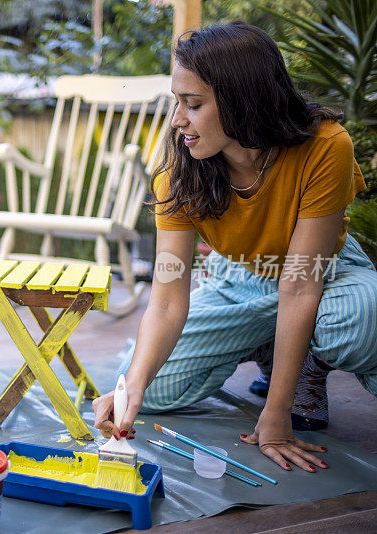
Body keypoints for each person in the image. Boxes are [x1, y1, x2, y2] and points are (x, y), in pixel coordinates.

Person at [92, 21, 377, 474]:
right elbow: (166, 301)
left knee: (358, 324)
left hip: (325, 269)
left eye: (194, 104)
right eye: (176, 102)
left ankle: (307, 362)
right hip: (242, 275)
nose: (177, 120)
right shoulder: (180, 174)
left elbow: (301, 286)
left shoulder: (326, 147)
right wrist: (133, 390)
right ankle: (272, 348)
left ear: (245, 101)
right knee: (155, 388)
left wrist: (277, 413)